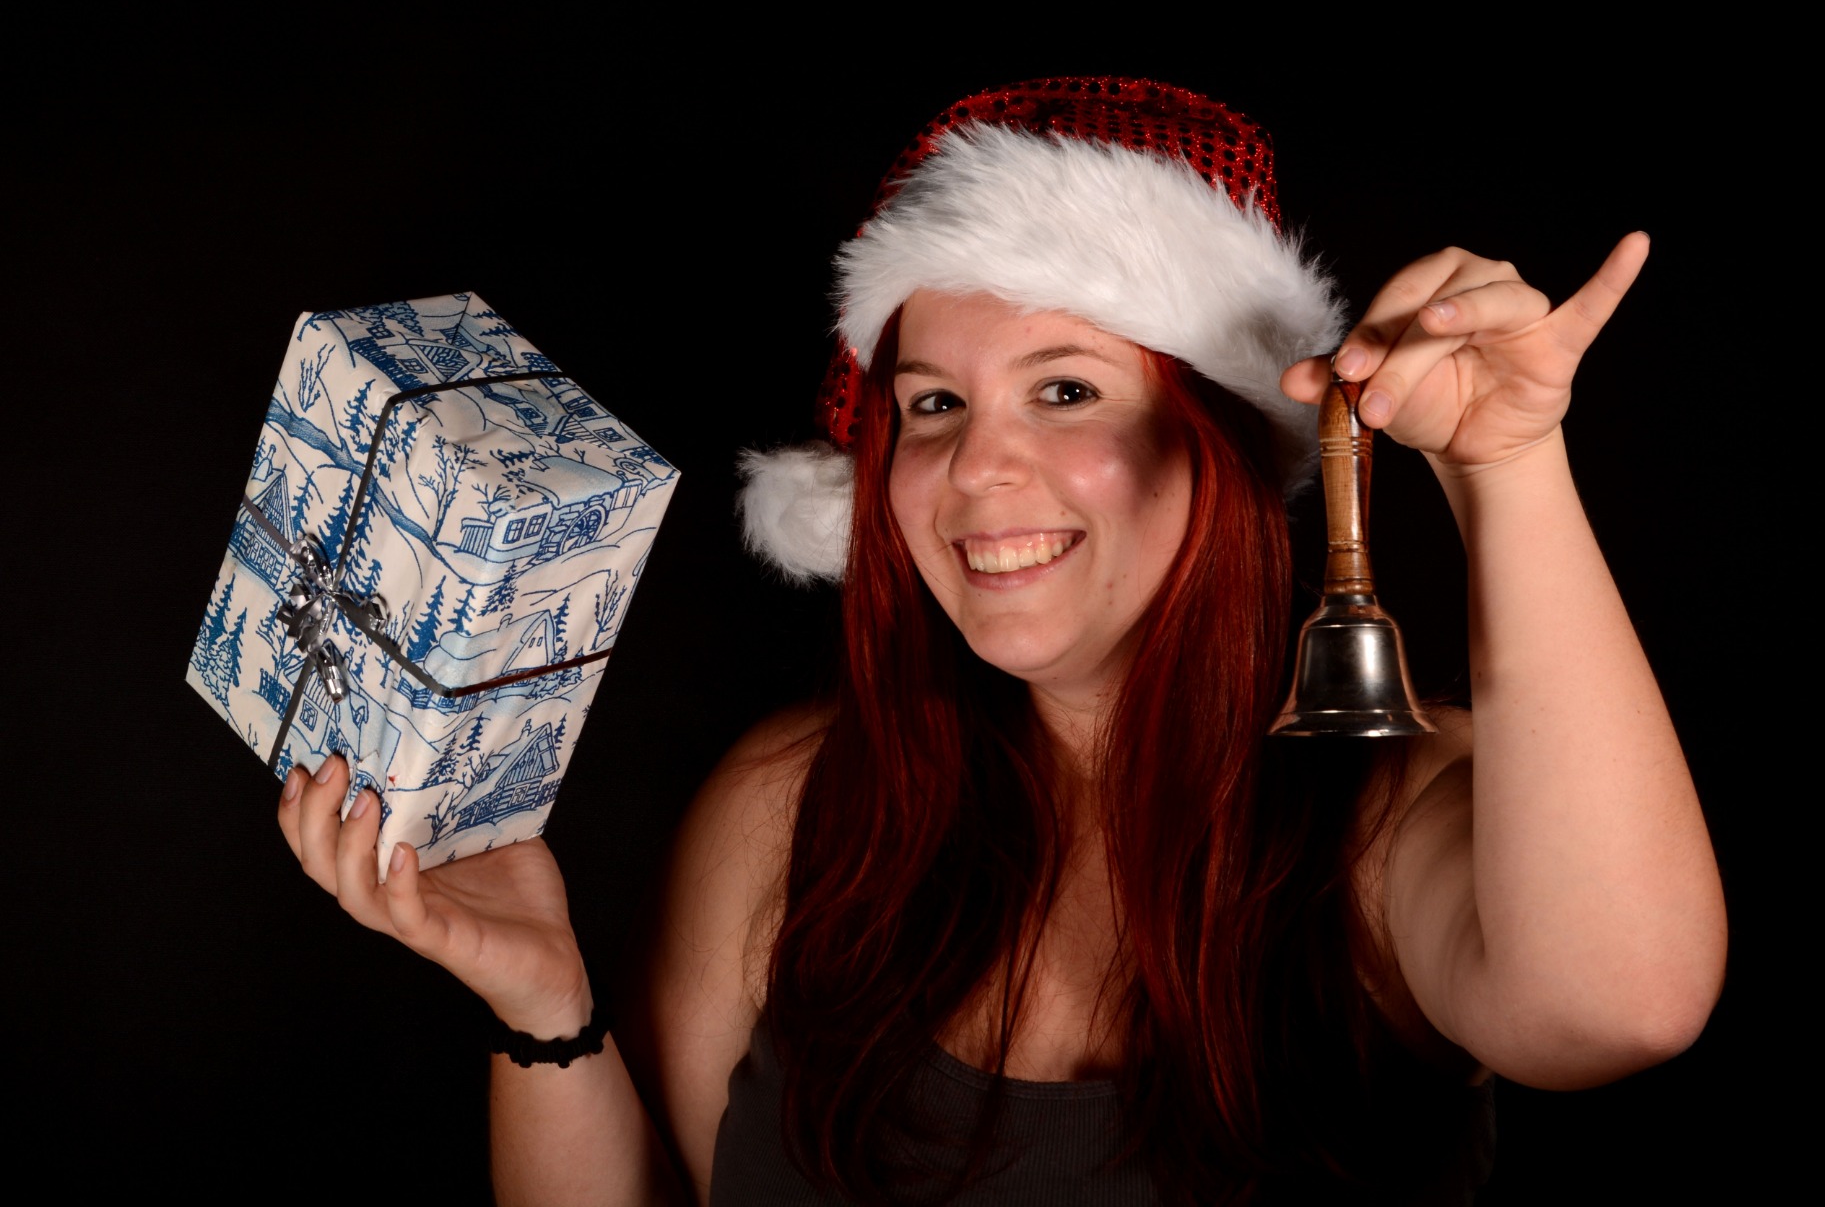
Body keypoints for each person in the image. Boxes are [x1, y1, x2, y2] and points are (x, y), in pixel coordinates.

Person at [276, 78, 1726, 1204]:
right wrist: (544, 1009)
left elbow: (1623, 1007)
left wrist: (1505, 465)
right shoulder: (789, 810)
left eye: (1067, 390)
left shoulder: (1395, 817)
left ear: (1217, 442)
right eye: (933, 405)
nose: (975, 468)